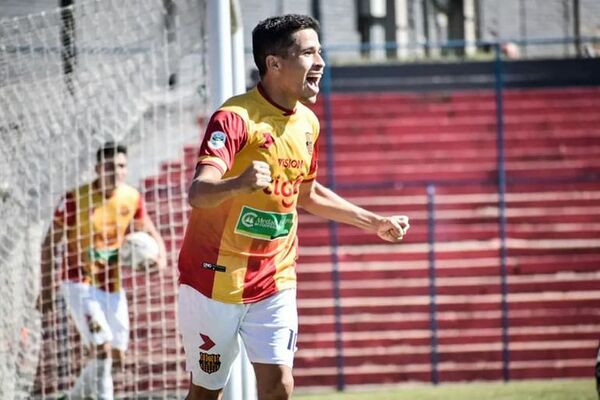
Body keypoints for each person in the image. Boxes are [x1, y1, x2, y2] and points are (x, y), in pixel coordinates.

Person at [177, 14, 410, 400]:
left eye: (320, 52)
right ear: (274, 63)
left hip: (274, 277)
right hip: (212, 278)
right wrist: (239, 183)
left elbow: (308, 193)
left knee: (279, 387)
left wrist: (374, 222)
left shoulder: (308, 123)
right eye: (308, 52)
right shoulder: (234, 119)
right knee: (206, 393)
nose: (320, 62)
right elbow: (198, 192)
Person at [38, 142, 167, 399]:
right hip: (78, 282)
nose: (116, 171)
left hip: (111, 284)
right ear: (98, 169)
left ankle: (73, 396)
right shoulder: (75, 199)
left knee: (116, 356)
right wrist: (46, 288)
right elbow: (49, 242)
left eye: (121, 166)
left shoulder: (131, 197)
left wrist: (160, 258)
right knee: (102, 348)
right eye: (109, 166)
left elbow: (149, 230)